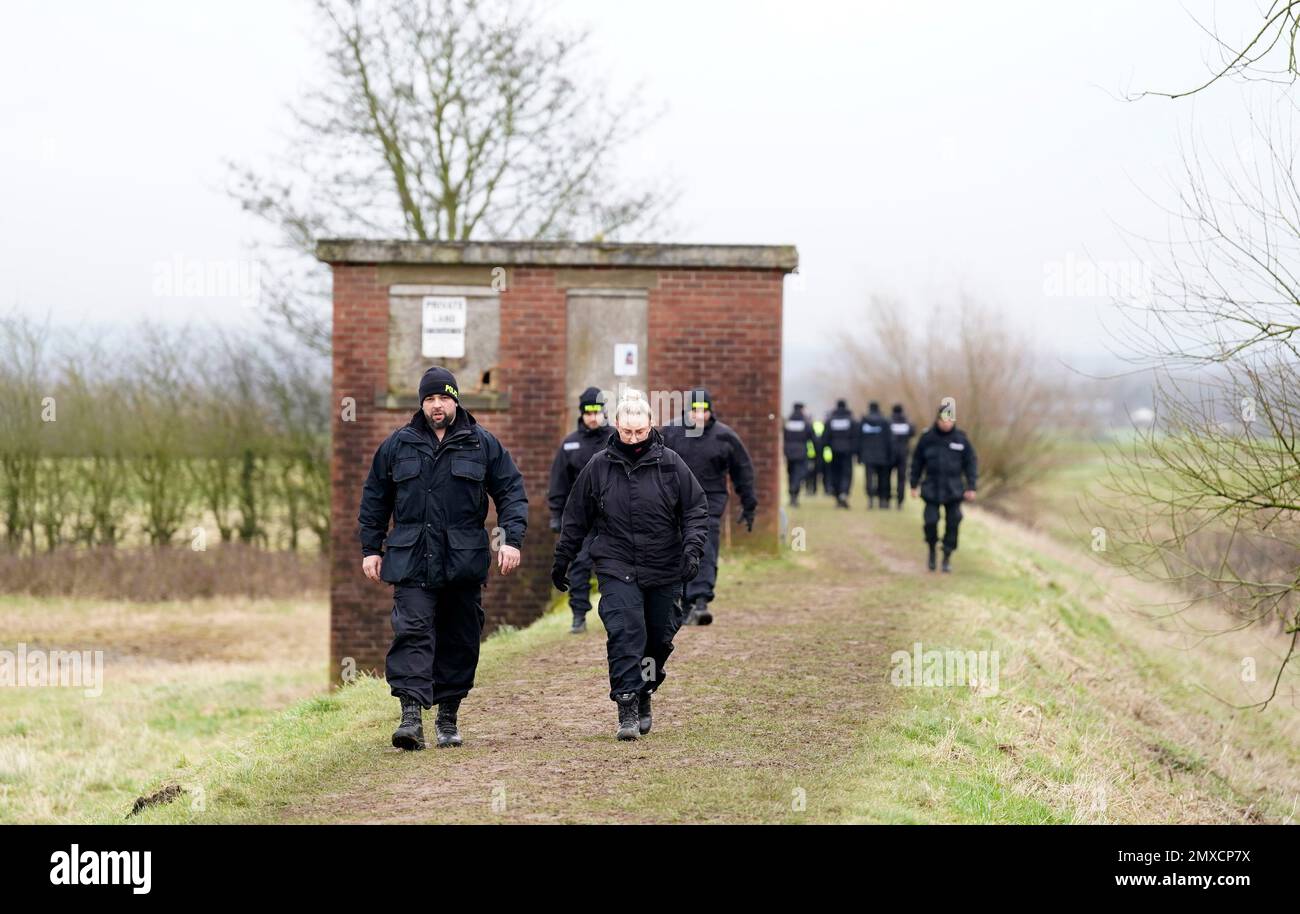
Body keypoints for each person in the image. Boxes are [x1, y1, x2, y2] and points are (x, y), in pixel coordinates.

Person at [359, 366, 528, 750]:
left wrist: (510, 540)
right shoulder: (396, 446)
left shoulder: (483, 445)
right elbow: (374, 500)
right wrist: (371, 549)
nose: (437, 405)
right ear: (422, 403)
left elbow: (512, 494)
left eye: (444, 398)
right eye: (430, 399)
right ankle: (411, 718)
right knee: (412, 633)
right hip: (410, 560)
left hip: (462, 562)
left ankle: (448, 715)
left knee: (459, 638)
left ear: (456, 400)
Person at [551, 390, 709, 740]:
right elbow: (576, 516)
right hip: (616, 563)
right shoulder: (599, 465)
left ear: (650, 426)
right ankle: (626, 705)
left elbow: (696, 510)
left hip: (664, 565)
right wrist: (562, 558)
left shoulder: (671, 464)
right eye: (627, 433)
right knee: (625, 632)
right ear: (617, 426)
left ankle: (644, 691)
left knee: (659, 639)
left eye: (640, 432)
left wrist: (692, 550)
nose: (634, 439)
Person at [660, 387, 758, 626]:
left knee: (704, 547)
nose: (699, 415)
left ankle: (701, 599)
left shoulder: (724, 437)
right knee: (677, 550)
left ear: (710, 411)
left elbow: (742, 471)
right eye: (695, 409)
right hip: (676, 503)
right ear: (687, 411)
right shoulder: (671, 433)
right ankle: (683, 602)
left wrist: (749, 504)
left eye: (704, 410)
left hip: (709, 502)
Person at [546, 386, 610, 634]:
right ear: (581, 413)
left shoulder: (614, 438)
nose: (593, 417)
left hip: (611, 516)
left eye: (597, 412)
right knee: (579, 565)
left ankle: (616, 612)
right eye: (588, 412)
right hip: (581, 518)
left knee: (615, 565)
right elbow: (558, 483)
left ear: (604, 412)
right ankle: (578, 615)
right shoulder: (570, 445)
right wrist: (556, 515)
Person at [909, 400, 977, 573]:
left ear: (953, 421)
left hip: (953, 489)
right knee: (930, 521)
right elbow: (917, 462)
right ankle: (932, 549)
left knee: (953, 522)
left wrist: (971, 486)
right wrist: (913, 484)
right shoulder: (927, 438)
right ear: (937, 420)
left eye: (949, 421)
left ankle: (947, 555)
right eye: (943, 420)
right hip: (931, 488)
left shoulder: (961, 439)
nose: (946, 424)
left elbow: (971, 463)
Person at [857, 400, 893, 509]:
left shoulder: (864, 421)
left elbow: (859, 439)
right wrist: (890, 454)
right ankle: (882, 500)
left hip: (867, 455)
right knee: (883, 478)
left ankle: (870, 499)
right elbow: (890, 440)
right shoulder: (885, 421)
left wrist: (859, 455)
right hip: (882, 455)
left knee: (869, 478)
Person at [825, 399, 857, 508]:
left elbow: (826, 436)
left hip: (834, 451)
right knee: (847, 474)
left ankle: (838, 495)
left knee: (835, 474)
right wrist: (855, 450)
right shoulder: (851, 420)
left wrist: (826, 448)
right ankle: (844, 493)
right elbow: (855, 437)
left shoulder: (831, 420)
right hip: (847, 452)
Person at [783, 402, 815, 507]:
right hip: (801, 452)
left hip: (789, 452)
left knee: (791, 473)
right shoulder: (805, 422)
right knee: (799, 473)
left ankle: (792, 493)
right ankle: (794, 491)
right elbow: (812, 436)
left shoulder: (788, 422)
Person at [888, 403, 915, 509]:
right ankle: (900, 501)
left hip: (890, 454)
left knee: (887, 477)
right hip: (903, 453)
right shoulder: (907, 422)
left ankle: (887, 499)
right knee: (901, 478)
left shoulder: (889, 422)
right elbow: (913, 432)